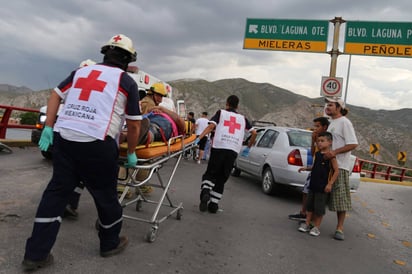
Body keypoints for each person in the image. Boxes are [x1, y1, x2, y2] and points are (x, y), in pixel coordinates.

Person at [22, 34, 142, 271]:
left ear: (105, 53)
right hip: (97, 143)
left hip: (64, 139)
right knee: (106, 196)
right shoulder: (126, 81)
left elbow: (56, 94)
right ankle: (109, 243)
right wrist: (131, 153)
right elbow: (135, 124)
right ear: (128, 60)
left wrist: (49, 128)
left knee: (56, 193)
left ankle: (36, 254)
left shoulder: (81, 72)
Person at [196, 95, 257, 213]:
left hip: (219, 147)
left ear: (227, 103)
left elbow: (211, 126)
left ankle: (205, 192)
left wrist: (199, 138)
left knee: (211, 172)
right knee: (222, 177)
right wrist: (249, 145)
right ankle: (213, 205)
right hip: (233, 150)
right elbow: (254, 133)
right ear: (237, 106)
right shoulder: (242, 118)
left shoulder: (221, 113)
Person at [324, 97, 358, 240]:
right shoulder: (331, 123)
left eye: (331, 105)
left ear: (339, 107)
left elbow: (353, 144)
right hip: (327, 164)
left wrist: (335, 153)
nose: (327, 107)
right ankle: (312, 221)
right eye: (327, 104)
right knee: (319, 194)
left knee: (340, 199)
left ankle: (340, 228)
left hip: (340, 166)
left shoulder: (345, 122)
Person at [288, 116, 330, 221]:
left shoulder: (325, 139)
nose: (315, 128)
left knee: (312, 194)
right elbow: (313, 153)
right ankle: (304, 213)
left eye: (318, 126)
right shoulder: (318, 139)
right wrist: (313, 141)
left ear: (324, 127)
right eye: (314, 126)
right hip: (314, 168)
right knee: (306, 191)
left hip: (320, 171)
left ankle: (309, 217)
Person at [297, 132, 339, 237]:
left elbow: (336, 171)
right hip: (313, 184)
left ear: (330, 142)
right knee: (309, 206)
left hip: (322, 187)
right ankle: (307, 224)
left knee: (319, 208)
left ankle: (316, 227)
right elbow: (314, 167)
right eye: (318, 141)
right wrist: (306, 168)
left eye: (322, 141)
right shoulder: (318, 154)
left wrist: (330, 184)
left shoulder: (330, 156)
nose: (319, 143)